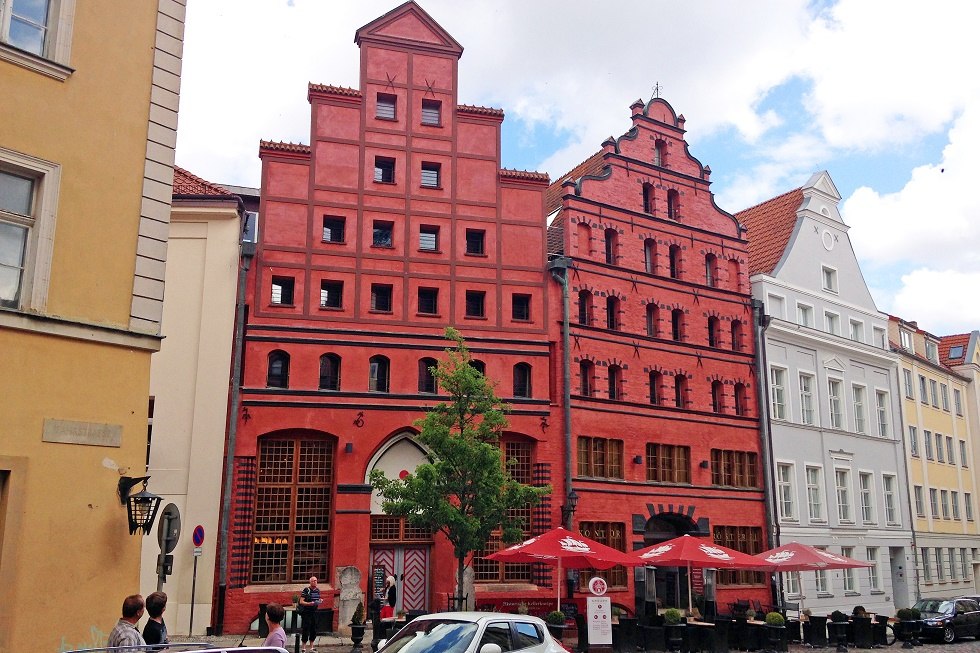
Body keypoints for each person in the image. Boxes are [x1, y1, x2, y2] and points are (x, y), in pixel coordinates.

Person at [299, 576, 321, 653]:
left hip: (315, 612)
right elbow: (301, 601)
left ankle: (311, 647)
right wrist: (309, 603)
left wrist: (319, 601)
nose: (315, 582)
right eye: (313, 581)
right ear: (310, 582)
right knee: (306, 629)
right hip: (307, 612)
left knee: (313, 629)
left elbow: (317, 599)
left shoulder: (317, 590)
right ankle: (303, 648)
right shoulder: (306, 590)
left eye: (316, 580)